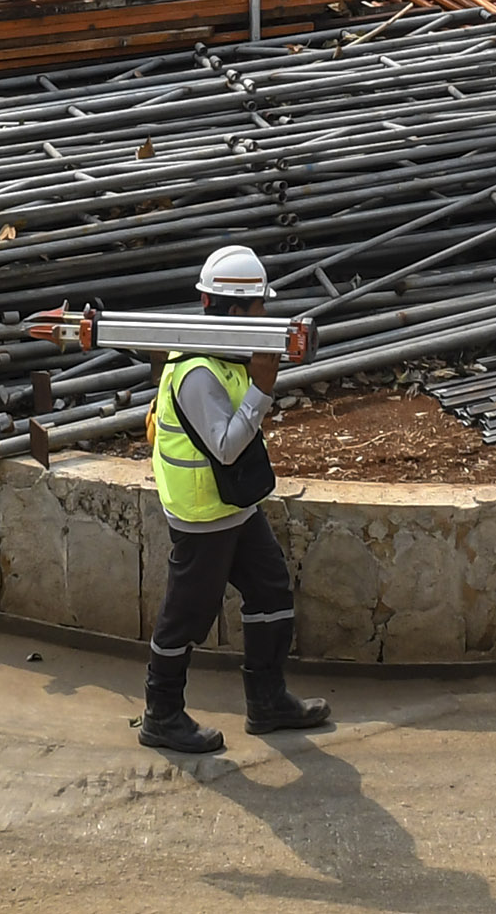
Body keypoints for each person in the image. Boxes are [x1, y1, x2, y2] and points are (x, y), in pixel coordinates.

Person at [138, 244, 332, 756]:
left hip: (233, 506)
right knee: (187, 613)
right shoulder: (197, 371)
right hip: (204, 513)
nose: (264, 316)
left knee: (270, 589)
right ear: (230, 311)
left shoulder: (226, 354)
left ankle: (267, 701)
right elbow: (225, 445)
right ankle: (161, 714)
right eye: (257, 308)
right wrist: (262, 390)